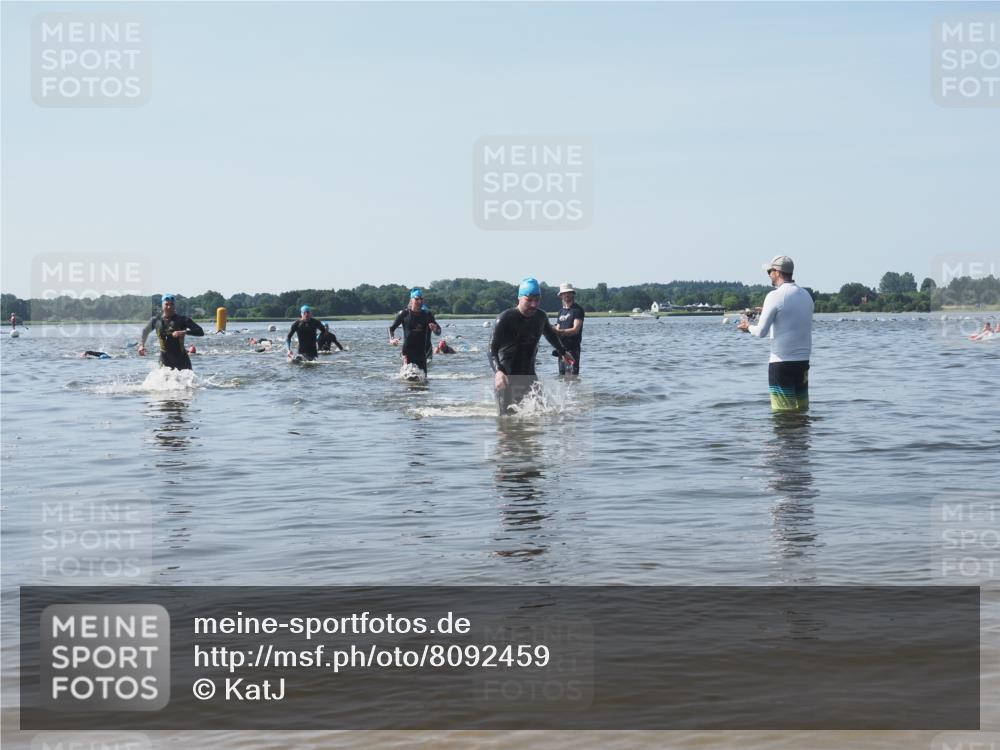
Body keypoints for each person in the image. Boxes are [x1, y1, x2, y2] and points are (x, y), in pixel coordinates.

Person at [737, 256, 813, 412]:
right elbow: (790, 317)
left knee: (783, 413)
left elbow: (761, 332)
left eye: (770, 271)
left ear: (777, 272)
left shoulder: (774, 296)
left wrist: (748, 327)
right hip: (802, 362)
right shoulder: (806, 295)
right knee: (802, 410)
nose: (769, 275)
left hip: (781, 363)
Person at [489, 277, 575, 415]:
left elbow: (550, 335)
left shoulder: (540, 317)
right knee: (506, 425)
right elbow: (491, 349)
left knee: (540, 421)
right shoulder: (505, 319)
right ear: (519, 298)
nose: (534, 305)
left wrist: (563, 352)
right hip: (507, 380)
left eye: (537, 300)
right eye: (529, 300)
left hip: (530, 379)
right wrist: (498, 371)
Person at [138, 294, 205, 370]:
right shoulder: (156, 320)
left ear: (174, 305)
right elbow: (145, 332)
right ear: (162, 305)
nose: (169, 307)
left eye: (171, 304)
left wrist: (183, 332)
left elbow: (200, 331)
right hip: (164, 360)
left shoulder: (183, 319)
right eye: (166, 304)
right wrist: (141, 345)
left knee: (189, 382)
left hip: (182, 361)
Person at [388, 288, 441, 375]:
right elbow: (391, 328)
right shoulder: (404, 314)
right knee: (408, 377)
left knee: (423, 381)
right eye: (417, 299)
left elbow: (439, 331)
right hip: (407, 352)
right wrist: (392, 339)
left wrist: (435, 329)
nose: (419, 301)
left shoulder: (427, 315)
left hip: (421, 353)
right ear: (411, 300)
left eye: (421, 299)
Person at [554, 282, 585, 375]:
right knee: (562, 376)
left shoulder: (578, 310)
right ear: (561, 295)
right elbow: (557, 328)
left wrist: (559, 331)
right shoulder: (561, 311)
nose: (566, 295)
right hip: (561, 349)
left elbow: (575, 330)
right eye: (564, 293)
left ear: (573, 294)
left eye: (568, 292)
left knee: (572, 377)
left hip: (572, 349)